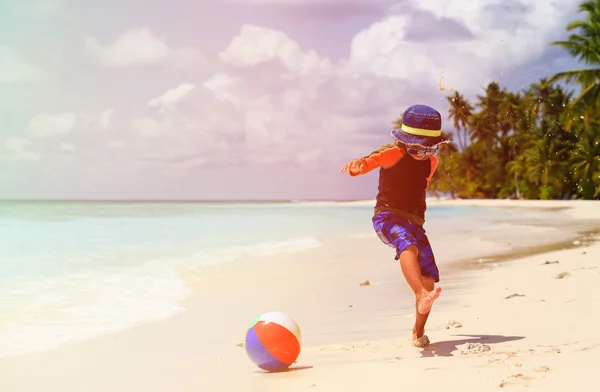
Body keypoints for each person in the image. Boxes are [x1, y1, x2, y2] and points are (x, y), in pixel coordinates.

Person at [340, 104, 449, 348]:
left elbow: (420, 185)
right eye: (416, 148)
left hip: (415, 222)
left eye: (428, 148)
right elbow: (370, 161)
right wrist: (359, 166)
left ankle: (417, 331)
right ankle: (419, 293)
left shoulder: (431, 163)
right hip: (387, 217)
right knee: (407, 245)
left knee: (429, 277)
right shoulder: (393, 154)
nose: (422, 154)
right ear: (403, 142)